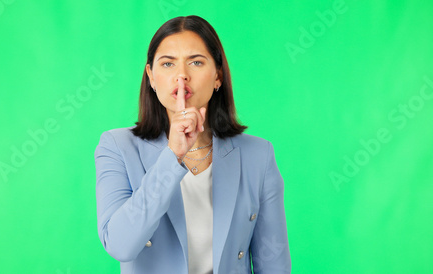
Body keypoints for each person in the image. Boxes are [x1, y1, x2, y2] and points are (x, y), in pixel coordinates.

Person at [95, 15, 291, 274]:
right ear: (151, 77)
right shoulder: (117, 147)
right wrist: (173, 155)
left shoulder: (258, 155)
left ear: (218, 75)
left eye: (196, 62)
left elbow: (274, 264)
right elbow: (120, 245)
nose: (181, 76)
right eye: (167, 64)